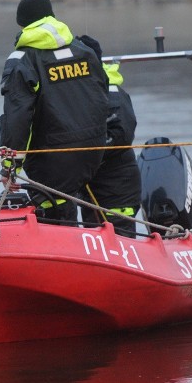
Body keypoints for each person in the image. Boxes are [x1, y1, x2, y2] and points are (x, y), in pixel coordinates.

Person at [0, 0, 109, 222]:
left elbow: (17, 118)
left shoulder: (22, 59)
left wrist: (9, 166)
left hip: (51, 159)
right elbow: (102, 95)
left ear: (22, 23)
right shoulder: (84, 50)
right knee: (71, 198)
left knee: (57, 210)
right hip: (92, 152)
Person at [77, 35, 142, 238]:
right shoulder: (80, 94)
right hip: (91, 187)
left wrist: (82, 150)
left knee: (121, 239)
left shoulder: (111, 92)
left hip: (117, 189)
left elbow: (122, 135)